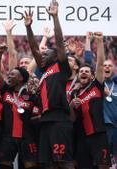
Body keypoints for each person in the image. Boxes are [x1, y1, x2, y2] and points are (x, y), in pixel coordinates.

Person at [24, 1, 74, 168]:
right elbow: (33, 48)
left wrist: (55, 17)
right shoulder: (44, 70)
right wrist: (28, 28)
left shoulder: (61, 66)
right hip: (46, 120)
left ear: (56, 55)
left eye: (47, 53)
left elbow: (59, 42)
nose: (42, 54)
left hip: (59, 119)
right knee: (46, 163)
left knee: (63, 162)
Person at [69, 32, 111, 169]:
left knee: (102, 166)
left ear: (92, 76)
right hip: (81, 137)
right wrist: (70, 106)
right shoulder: (73, 93)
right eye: (81, 71)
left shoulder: (97, 86)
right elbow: (72, 118)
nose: (84, 73)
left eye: (87, 71)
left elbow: (99, 65)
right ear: (78, 75)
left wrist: (99, 42)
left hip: (98, 134)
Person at [103, 59, 117, 163]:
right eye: (104, 65)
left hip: (116, 128)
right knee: (103, 162)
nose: (107, 67)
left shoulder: (116, 86)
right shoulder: (96, 85)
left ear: (114, 69)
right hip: (103, 128)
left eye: (110, 66)